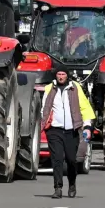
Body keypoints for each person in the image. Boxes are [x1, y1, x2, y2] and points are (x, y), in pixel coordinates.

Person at [40, 68, 95, 198]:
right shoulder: (49, 88)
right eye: (58, 74)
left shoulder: (75, 88)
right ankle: (58, 188)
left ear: (67, 76)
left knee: (71, 160)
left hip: (71, 131)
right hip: (54, 130)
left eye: (63, 74)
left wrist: (87, 126)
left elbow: (85, 107)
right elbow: (44, 107)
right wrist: (44, 122)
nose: (60, 77)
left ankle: (72, 183)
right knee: (57, 159)